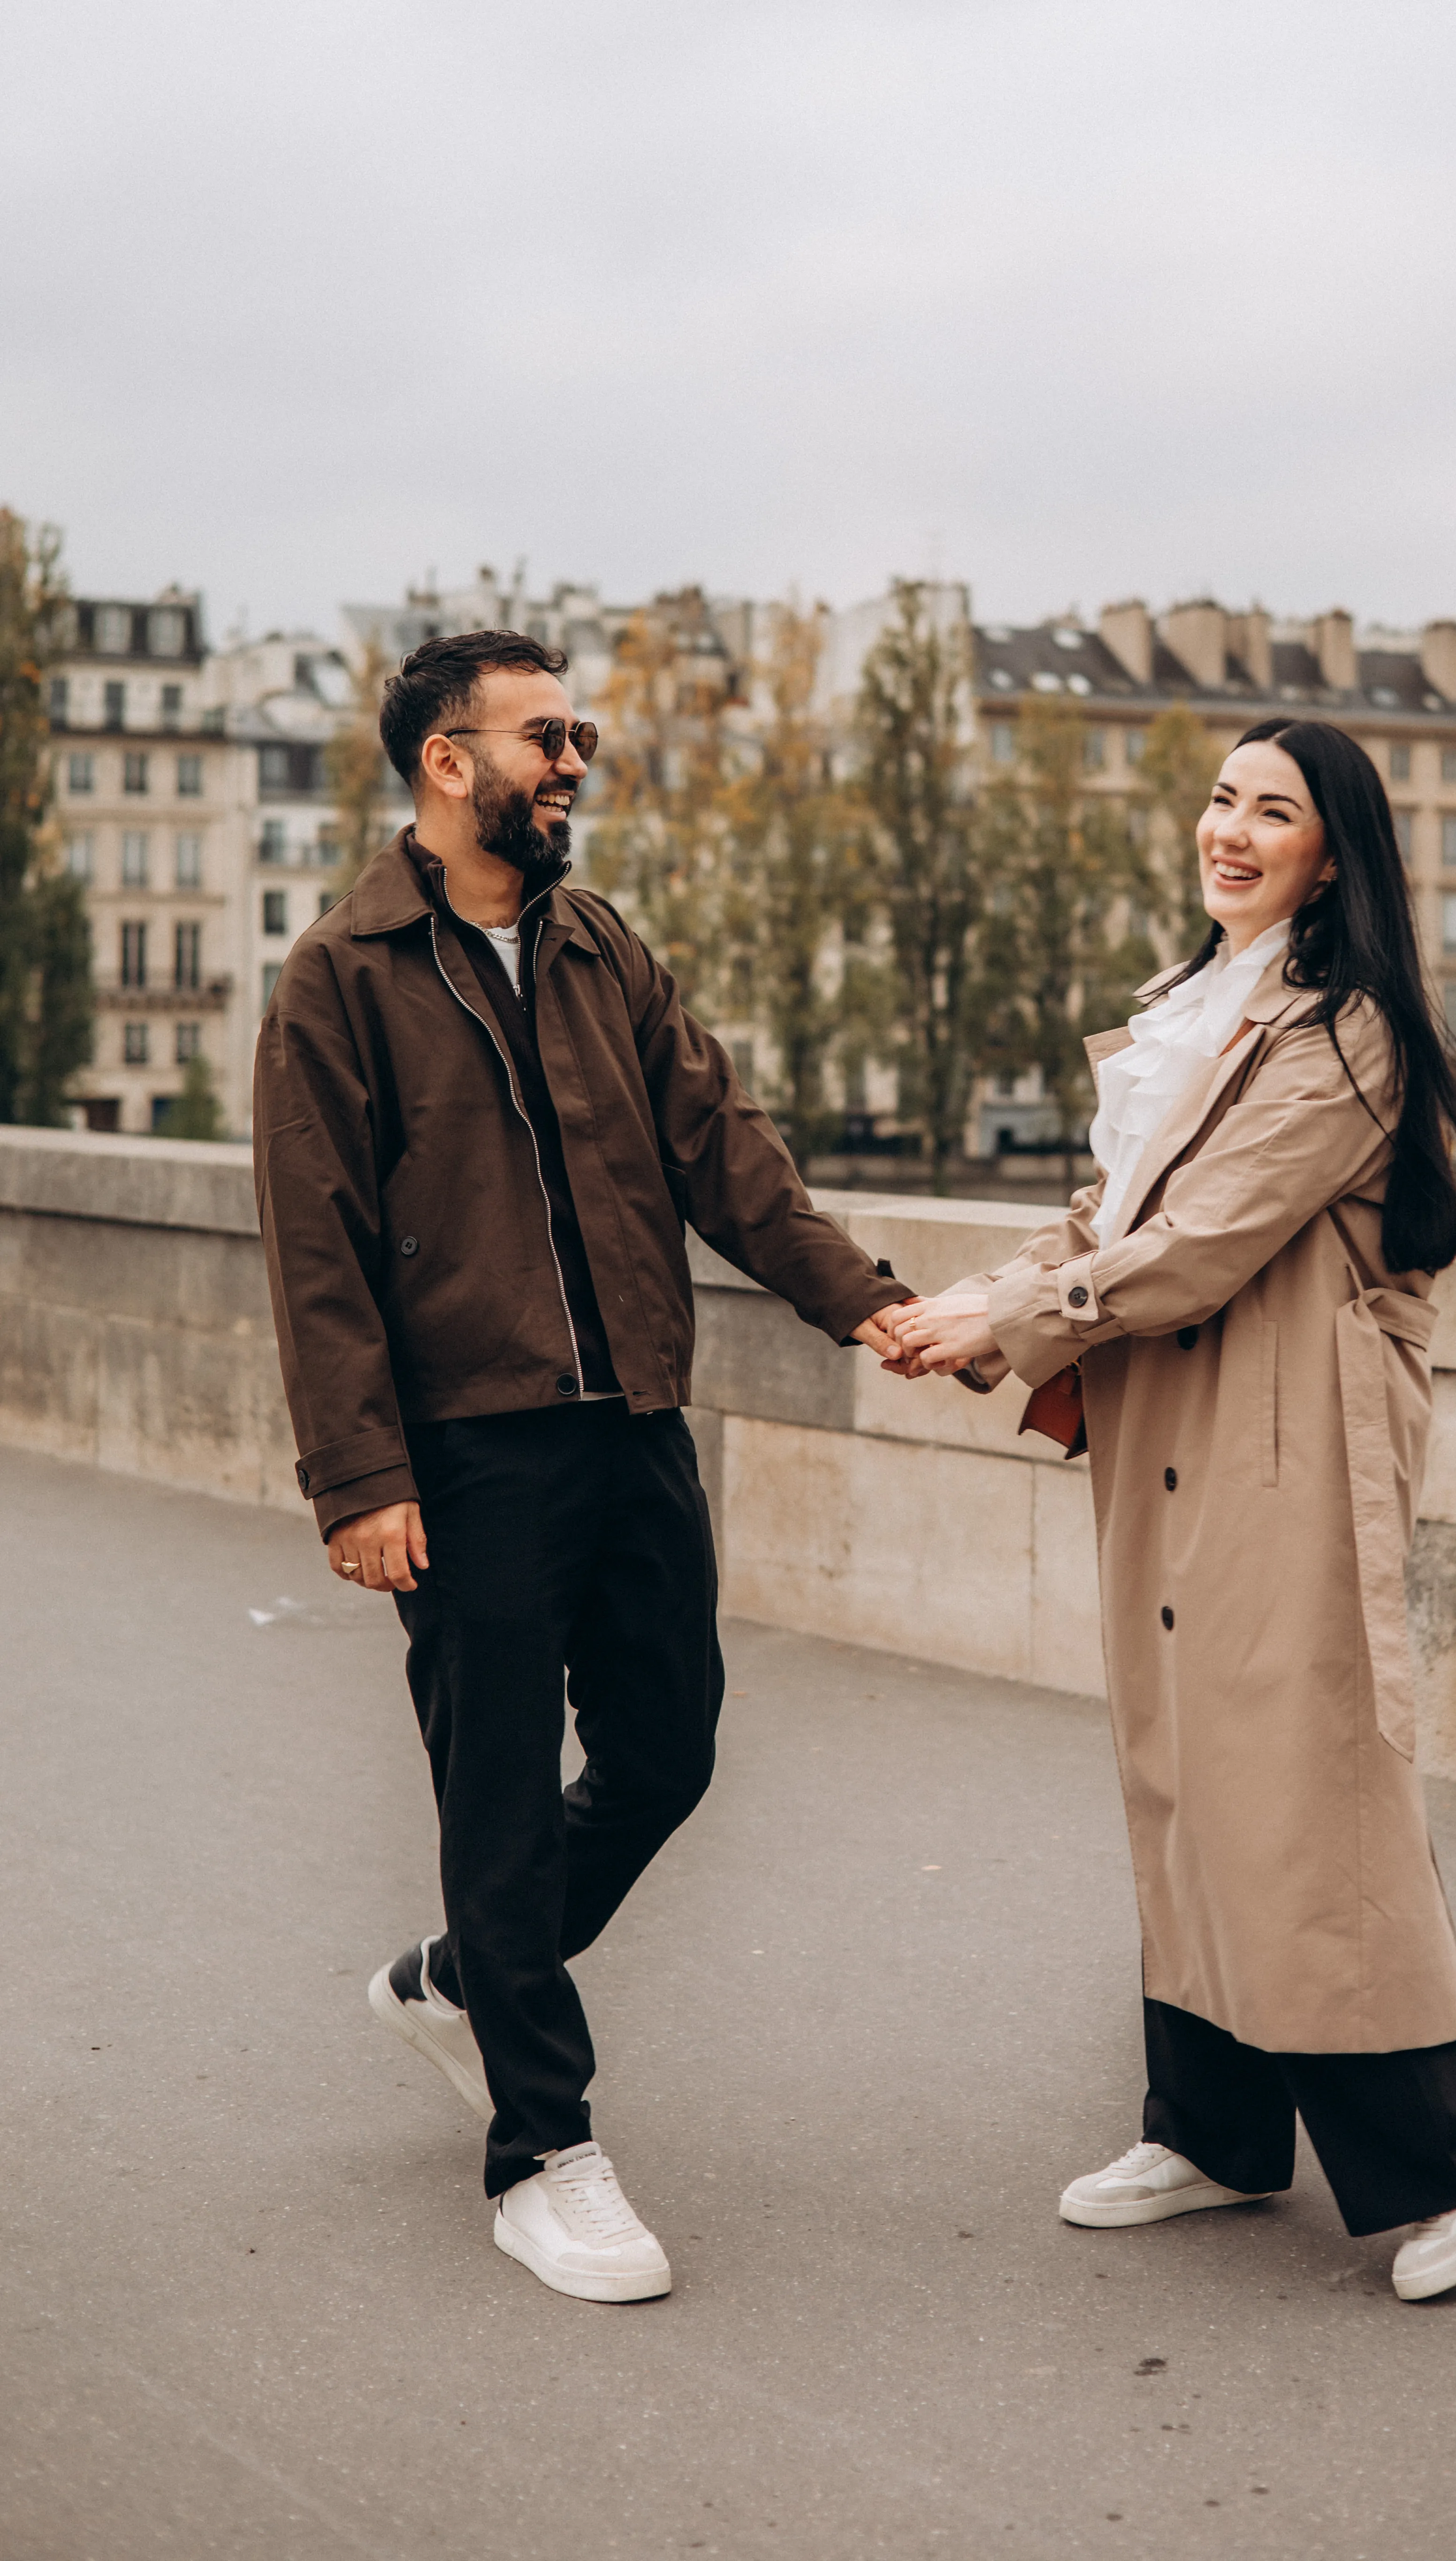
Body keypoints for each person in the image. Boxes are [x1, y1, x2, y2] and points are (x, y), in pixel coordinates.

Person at [253, 627, 909, 2304]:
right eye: (546, 738)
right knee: (494, 1797)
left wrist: (870, 1304)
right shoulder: (342, 975)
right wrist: (359, 1477)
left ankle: (465, 1976)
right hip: (466, 1449)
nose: (573, 765)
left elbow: (726, 1156)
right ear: (446, 761)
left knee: (668, 1751)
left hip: (631, 1420)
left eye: (580, 739)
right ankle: (542, 2155)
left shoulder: (598, 944)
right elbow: (317, 1251)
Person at [882, 716, 1456, 2304]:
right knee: (1182, 1769)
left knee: (1299, 1783)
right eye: (1221, 800)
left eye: (1275, 812)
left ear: (1334, 858)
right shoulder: (1199, 1008)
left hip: (1287, 1436)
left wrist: (1011, 1321)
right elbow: (1114, 1218)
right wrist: (975, 1299)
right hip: (1174, 1421)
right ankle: (1214, 2130)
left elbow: (1203, 1241)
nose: (1231, 832)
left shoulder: (1349, 1035)